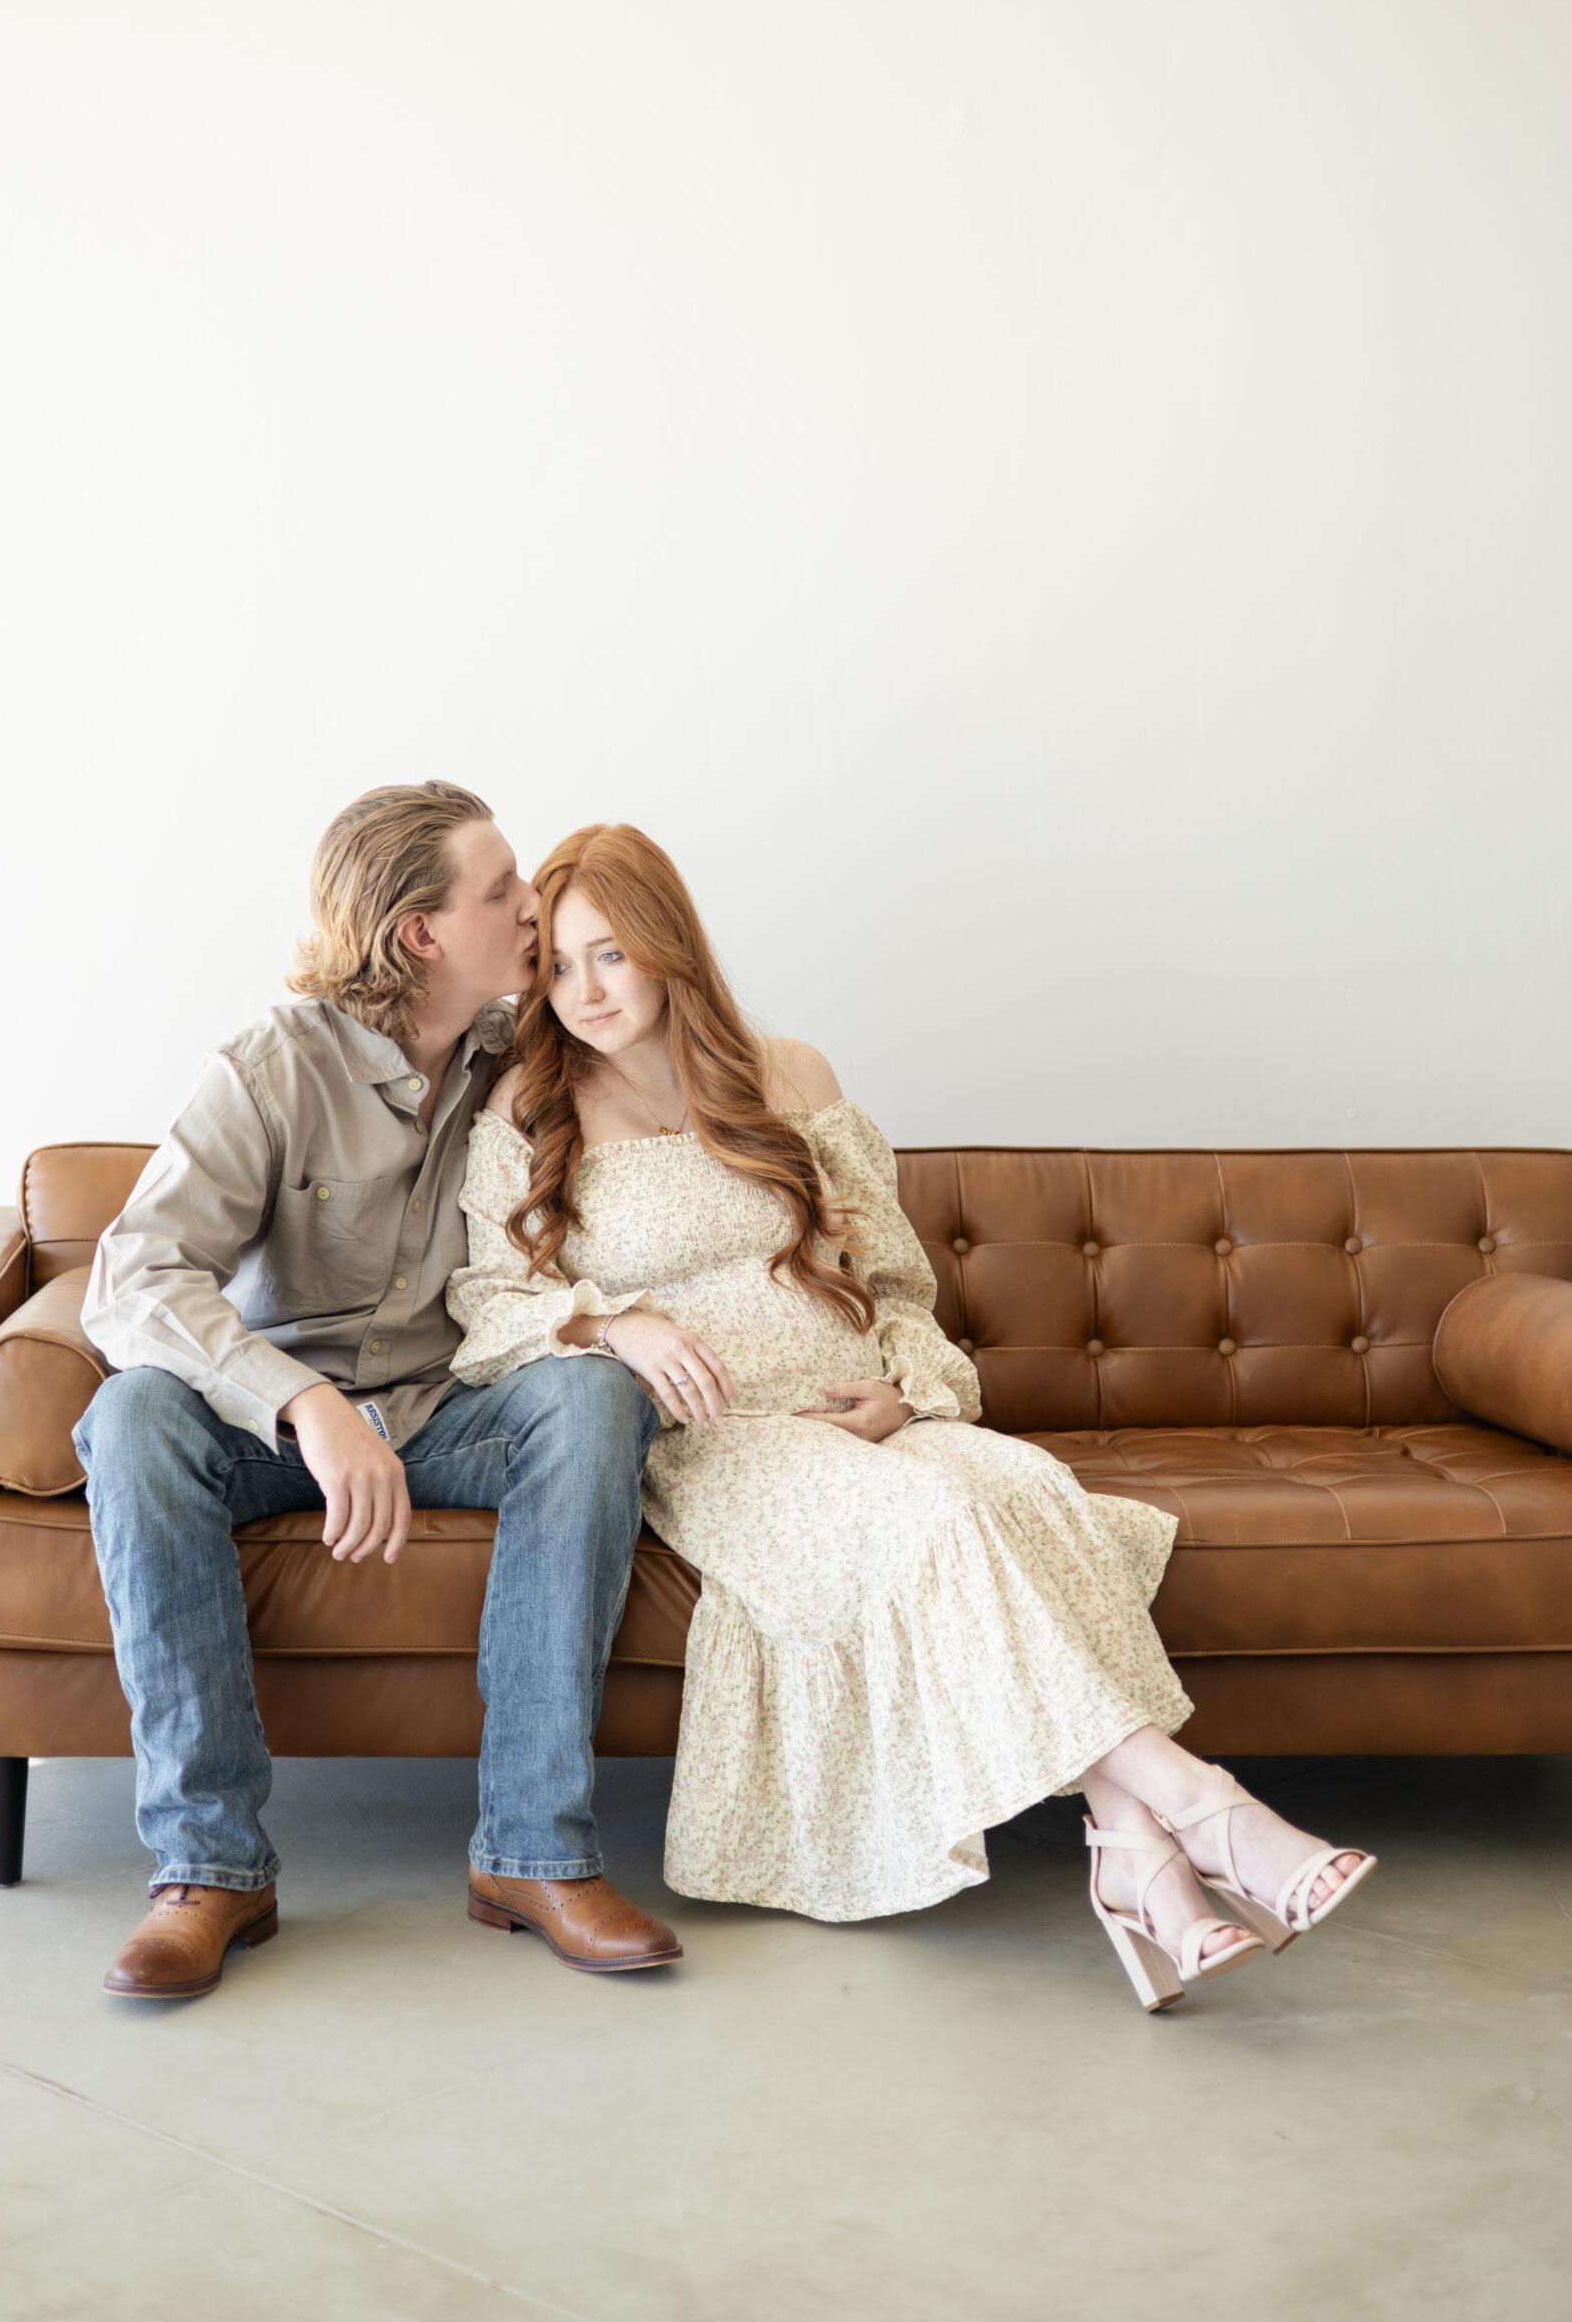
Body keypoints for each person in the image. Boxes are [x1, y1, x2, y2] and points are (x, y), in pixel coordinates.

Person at [446, 823, 1377, 2011]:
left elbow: (893, 1280)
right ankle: (1207, 1812)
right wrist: (616, 1323)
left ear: (670, 948)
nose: (583, 993)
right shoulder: (528, 1107)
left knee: (1026, 1491)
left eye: (611, 956)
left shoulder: (792, 1078)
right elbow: (489, 1302)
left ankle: (1136, 1861)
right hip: (720, 1437)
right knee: (935, 1520)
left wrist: (908, 1392)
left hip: (864, 1412)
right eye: (561, 965)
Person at [75, 782, 683, 2002]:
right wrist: (302, 1402)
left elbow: (693, 1096)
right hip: (272, 1421)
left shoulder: (532, 1054)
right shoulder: (269, 1068)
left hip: (452, 1403)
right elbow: (131, 1277)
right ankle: (209, 1867)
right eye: (503, 888)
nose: (533, 907)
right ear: (420, 935)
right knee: (133, 1415)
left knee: (593, 1398)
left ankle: (534, 1854)